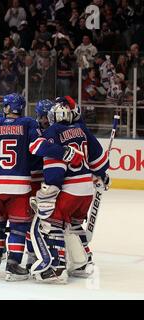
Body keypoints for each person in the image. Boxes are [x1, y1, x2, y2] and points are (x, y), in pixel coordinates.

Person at [0, 93, 84, 281]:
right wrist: (64, 152)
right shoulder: (28, 125)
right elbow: (38, 148)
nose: (44, 120)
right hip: (21, 183)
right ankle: (16, 263)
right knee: (20, 226)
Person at [30, 101, 110, 284]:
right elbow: (100, 162)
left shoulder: (54, 131)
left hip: (70, 189)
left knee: (52, 223)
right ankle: (83, 263)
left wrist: (50, 188)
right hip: (86, 190)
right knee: (74, 225)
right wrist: (102, 175)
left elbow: (39, 150)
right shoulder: (82, 130)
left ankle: (57, 268)